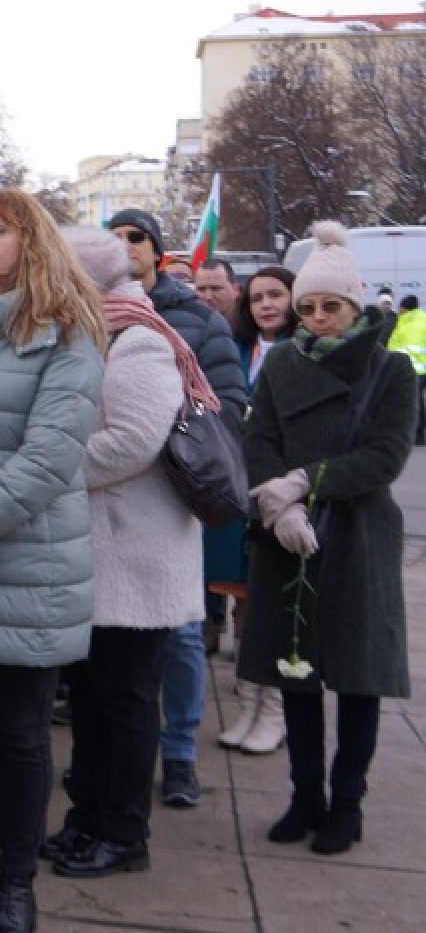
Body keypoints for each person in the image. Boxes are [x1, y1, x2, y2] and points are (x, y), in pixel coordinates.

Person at [0, 186, 104, 933]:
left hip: (25, 567)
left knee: (21, 734)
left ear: (31, 243)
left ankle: (16, 884)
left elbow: (46, 463)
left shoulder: (68, 336)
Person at [238, 222, 417, 857]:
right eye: (307, 307)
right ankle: (303, 794)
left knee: (359, 675)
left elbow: (386, 456)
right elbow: (256, 438)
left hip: (358, 537)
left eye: (330, 306)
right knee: (297, 673)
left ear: (355, 303)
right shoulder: (283, 362)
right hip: (288, 539)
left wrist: (302, 483)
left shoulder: (392, 367)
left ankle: (348, 802)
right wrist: (274, 503)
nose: (316, 318)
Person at [43, 229, 204, 879]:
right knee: (89, 698)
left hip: (136, 561)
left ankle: (123, 834)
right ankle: (86, 820)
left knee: (125, 701)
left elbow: (132, 441)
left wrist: (47, 468)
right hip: (98, 553)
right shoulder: (95, 334)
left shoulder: (138, 338)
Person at [108, 208, 247, 809]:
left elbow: (230, 406)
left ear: (157, 252)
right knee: (116, 655)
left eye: (135, 237)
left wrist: (157, 436)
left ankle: (182, 753)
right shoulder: (92, 319)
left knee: (184, 636)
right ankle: (110, 770)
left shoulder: (196, 320)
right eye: (113, 237)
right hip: (107, 513)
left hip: (167, 503)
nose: (124, 246)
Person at [215, 266, 301, 754]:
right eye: (257, 299)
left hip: (285, 491)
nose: (266, 305)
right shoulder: (239, 348)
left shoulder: (302, 350)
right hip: (241, 487)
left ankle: (275, 710)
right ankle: (250, 701)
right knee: (246, 602)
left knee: (279, 604)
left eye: (276, 295)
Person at [192, 258, 246, 657]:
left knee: (240, 555)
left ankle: (246, 639)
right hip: (205, 458)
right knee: (210, 549)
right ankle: (211, 623)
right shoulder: (194, 328)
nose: (208, 296)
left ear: (234, 290)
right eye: (202, 289)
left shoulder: (243, 338)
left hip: (242, 459)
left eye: (216, 288)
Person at [388, 294, 425, 446]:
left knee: (413, 404)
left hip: (413, 369)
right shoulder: (422, 320)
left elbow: (398, 348)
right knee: (418, 403)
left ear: (405, 308)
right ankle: (419, 434)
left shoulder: (405, 324)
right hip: (420, 368)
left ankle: (417, 435)